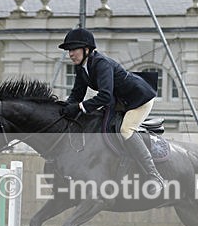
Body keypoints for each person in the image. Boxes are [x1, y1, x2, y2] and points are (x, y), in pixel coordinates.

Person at [58, 27, 165, 194]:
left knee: (126, 129)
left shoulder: (101, 64)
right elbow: (77, 94)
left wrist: (80, 107)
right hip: (120, 101)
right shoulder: (81, 67)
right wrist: (63, 109)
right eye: (69, 50)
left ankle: (154, 176)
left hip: (139, 98)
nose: (70, 54)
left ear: (87, 49)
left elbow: (105, 96)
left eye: (73, 49)